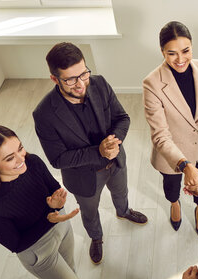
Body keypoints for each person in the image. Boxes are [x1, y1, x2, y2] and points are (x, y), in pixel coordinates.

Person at [33, 42, 148, 265]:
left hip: (115, 161)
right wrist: (99, 151)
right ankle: (96, 237)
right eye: (70, 79)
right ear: (55, 79)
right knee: (90, 211)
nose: (80, 84)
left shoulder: (99, 83)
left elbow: (122, 118)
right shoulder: (44, 114)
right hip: (83, 177)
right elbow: (58, 159)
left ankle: (123, 212)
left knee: (121, 192)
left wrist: (115, 141)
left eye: (83, 74)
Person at [0, 125, 103, 279]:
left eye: (20, 148)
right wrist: (49, 217)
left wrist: (56, 205)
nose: (21, 159)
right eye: (10, 158)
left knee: (71, 270)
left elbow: (53, 187)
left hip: (60, 226)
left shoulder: (32, 162)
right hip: (38, 251)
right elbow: (17, 244)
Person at [143, 21, 198, 238]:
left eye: (185, 51)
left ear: (192, 47)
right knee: (171, 185)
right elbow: (160, 135)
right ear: (162, 52)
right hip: (172, 153)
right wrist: (185, 165)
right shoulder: (152, 83)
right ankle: (174, 204)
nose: (180, 59)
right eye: (172, 53)